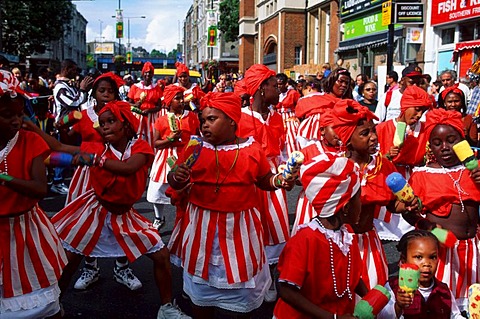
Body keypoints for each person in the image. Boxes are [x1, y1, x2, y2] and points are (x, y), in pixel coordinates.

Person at [25, 100, 191, 318]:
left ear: (126, 125)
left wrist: (95, 160)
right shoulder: (96, 149)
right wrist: (33, 128)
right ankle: (54, 306)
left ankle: (167, 308)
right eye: (102, 123)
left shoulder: (139, 147)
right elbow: (58, 148)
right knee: (70, 260)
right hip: (95, 212)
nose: (105, 126)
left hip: (125, 216)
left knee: (160, 255)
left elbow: (129, 168)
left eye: (111, 121)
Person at [167, 92, 294, 318]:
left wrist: (279, 180)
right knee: (201, 294)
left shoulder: (251, 149)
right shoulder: (196, 146)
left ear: (232, 122)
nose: (204, 125)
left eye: (212, 119)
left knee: (239, 294)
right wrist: (178, 175)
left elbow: (264, 180)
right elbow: (174, 180)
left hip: (240, 229)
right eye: (203, 120)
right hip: (202, 229)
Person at [59, 72, 144, 292]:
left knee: (120, 221)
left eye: (110, 91)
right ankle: (90, 268)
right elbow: (67, 136)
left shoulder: (121, 114)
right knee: (87, 225)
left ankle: (122, 267)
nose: (106, 94)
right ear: (93, 93)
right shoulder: (83, 114)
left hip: (115, 171)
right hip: (87, 174)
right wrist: (64, 124)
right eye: (101, 90)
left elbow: (133, 138)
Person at [0, 70, 67, 318]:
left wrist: (3, 178)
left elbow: (39, 188)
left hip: (25, 232)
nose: (17, 121)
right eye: (7, 115)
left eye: (19, 114)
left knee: (43, 305)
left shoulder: (29, 141)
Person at [273, 152, 368, 318]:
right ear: (345, 208)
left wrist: (368, 297)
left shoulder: (347, 234)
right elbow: (286, 290)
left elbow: (350, 278)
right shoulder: (305, 240)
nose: (362, 204)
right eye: (358, 199)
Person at [406, 108, 480, 312]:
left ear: (463, 140)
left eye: (452, 140)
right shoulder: (422, 175)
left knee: (474, 306)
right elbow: (408, 212)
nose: (445, 148)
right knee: (443, 306)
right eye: (437, 144)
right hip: (442, 250)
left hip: (473, 249)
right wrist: (428, 225)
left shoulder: (473, 169)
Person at [239, 64, 290, 303]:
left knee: (273, 229)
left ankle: (268, 277)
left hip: (273, 178)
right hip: (249, 181)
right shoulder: (240, 118)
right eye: (274, 85)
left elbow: (283, 150)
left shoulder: (277, 116)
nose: (279, 89)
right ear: (260, 89)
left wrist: (289, 170)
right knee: (249, 230)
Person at [374, 85, 432, 241]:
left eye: (423, 111)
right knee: (383, 232)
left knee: (414, 231)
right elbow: (370, 160)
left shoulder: (426, 130)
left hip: (413, 179)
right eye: (417, 109)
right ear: (405, 106)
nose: (419, 115)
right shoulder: (382, 128)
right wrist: (385, 156)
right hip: (389, 179)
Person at [146, 85, 199, 230]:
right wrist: (170, 139)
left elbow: (198, 136)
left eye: (182, 98)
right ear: (169, 102)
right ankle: (158, 217)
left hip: (186, 157)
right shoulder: (161, 120)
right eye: (178, 98)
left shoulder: (192, 117)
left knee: (184, 189)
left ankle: (183, 218)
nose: (182, 101)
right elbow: (156, 143)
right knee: (157, 190)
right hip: (165, 157)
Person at [377, 230, 464, 319]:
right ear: (403, 260)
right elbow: (383, 316)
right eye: (419, 257)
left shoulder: (444, 291)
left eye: (432, 257)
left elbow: (455, 315)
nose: (427, 263)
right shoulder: (393, 288)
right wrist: (398, 306)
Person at [127, 61, 164, 149]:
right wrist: (136, 105)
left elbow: (159, 106)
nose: (148, 75)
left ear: (152, 75)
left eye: (150, 73)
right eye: (146, 72)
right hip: (137, 116)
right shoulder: (135, 87)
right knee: (137, 137)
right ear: (143, 74)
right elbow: (129, 103)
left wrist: (150, 110)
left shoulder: (156, 88)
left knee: (151, 137)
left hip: (152, 117)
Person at [275, 72, 300, 159]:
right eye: (277, 84)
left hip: (290, 120)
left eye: (280, 84)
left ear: (286, 84)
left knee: (291, 140)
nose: (278, 86)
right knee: (279, 141)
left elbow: (299, 106)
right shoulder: (276, 94)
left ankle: (294, 160)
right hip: (279, 120)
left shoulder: (293, 93)